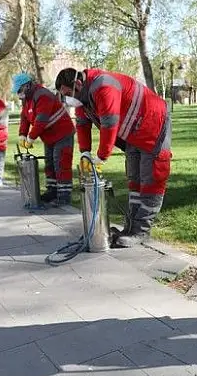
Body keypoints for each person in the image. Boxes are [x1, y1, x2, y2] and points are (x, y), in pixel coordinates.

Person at [55, 68, 172, 248]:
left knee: (151, 178)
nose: (68, 99)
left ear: (77, 84)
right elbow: (82, 124)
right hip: (133, 131)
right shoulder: (83, 97)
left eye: (68, 93)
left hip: (153, 122)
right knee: (134, 178)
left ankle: (142, 231)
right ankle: (132, 227)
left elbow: (109, 124)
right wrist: (85, 152)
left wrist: (101, 157)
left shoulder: (103, 86)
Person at [13, 73, 75, 206]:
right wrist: (22, 134)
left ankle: (64, 196)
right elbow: (25, 116)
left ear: (27, 85)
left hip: (62, 133)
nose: (18, 93)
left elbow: (41, 120)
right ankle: (52, 191)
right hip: (49, 137)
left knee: (61, 163)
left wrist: (31, 138)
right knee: (49, 164)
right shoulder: (27, 99)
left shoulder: (43, 95)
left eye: (19, 89)